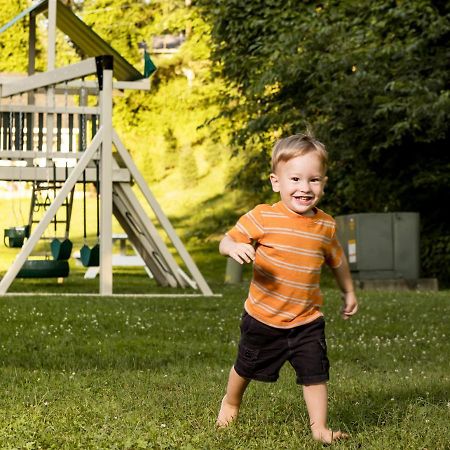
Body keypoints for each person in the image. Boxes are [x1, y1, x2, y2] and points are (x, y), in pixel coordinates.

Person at [216, 134, 358, 444]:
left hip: (306, 319)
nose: (304, 188)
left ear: (323, 182)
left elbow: (337, 261)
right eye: (295, 178)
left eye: (314, 180)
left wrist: (348, 291)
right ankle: (231, 401)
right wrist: (234, 248)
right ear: (276, 182)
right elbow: (225, 240)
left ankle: (319, 428)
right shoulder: (263, 217)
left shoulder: (326, 225)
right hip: (263, 317)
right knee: (246, 366)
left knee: (315, 373)